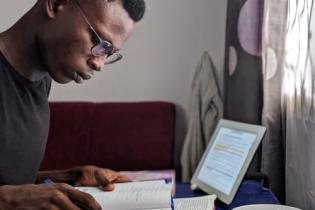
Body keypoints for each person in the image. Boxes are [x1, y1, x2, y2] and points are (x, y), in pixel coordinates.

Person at [0, 0, 145, 209]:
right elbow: (11, 196)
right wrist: (8, 200)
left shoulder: (41, 80)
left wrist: (70, 176)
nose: (99, 64)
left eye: (109, 53)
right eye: (101, 43)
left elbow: (13, 184)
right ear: (56, 4)